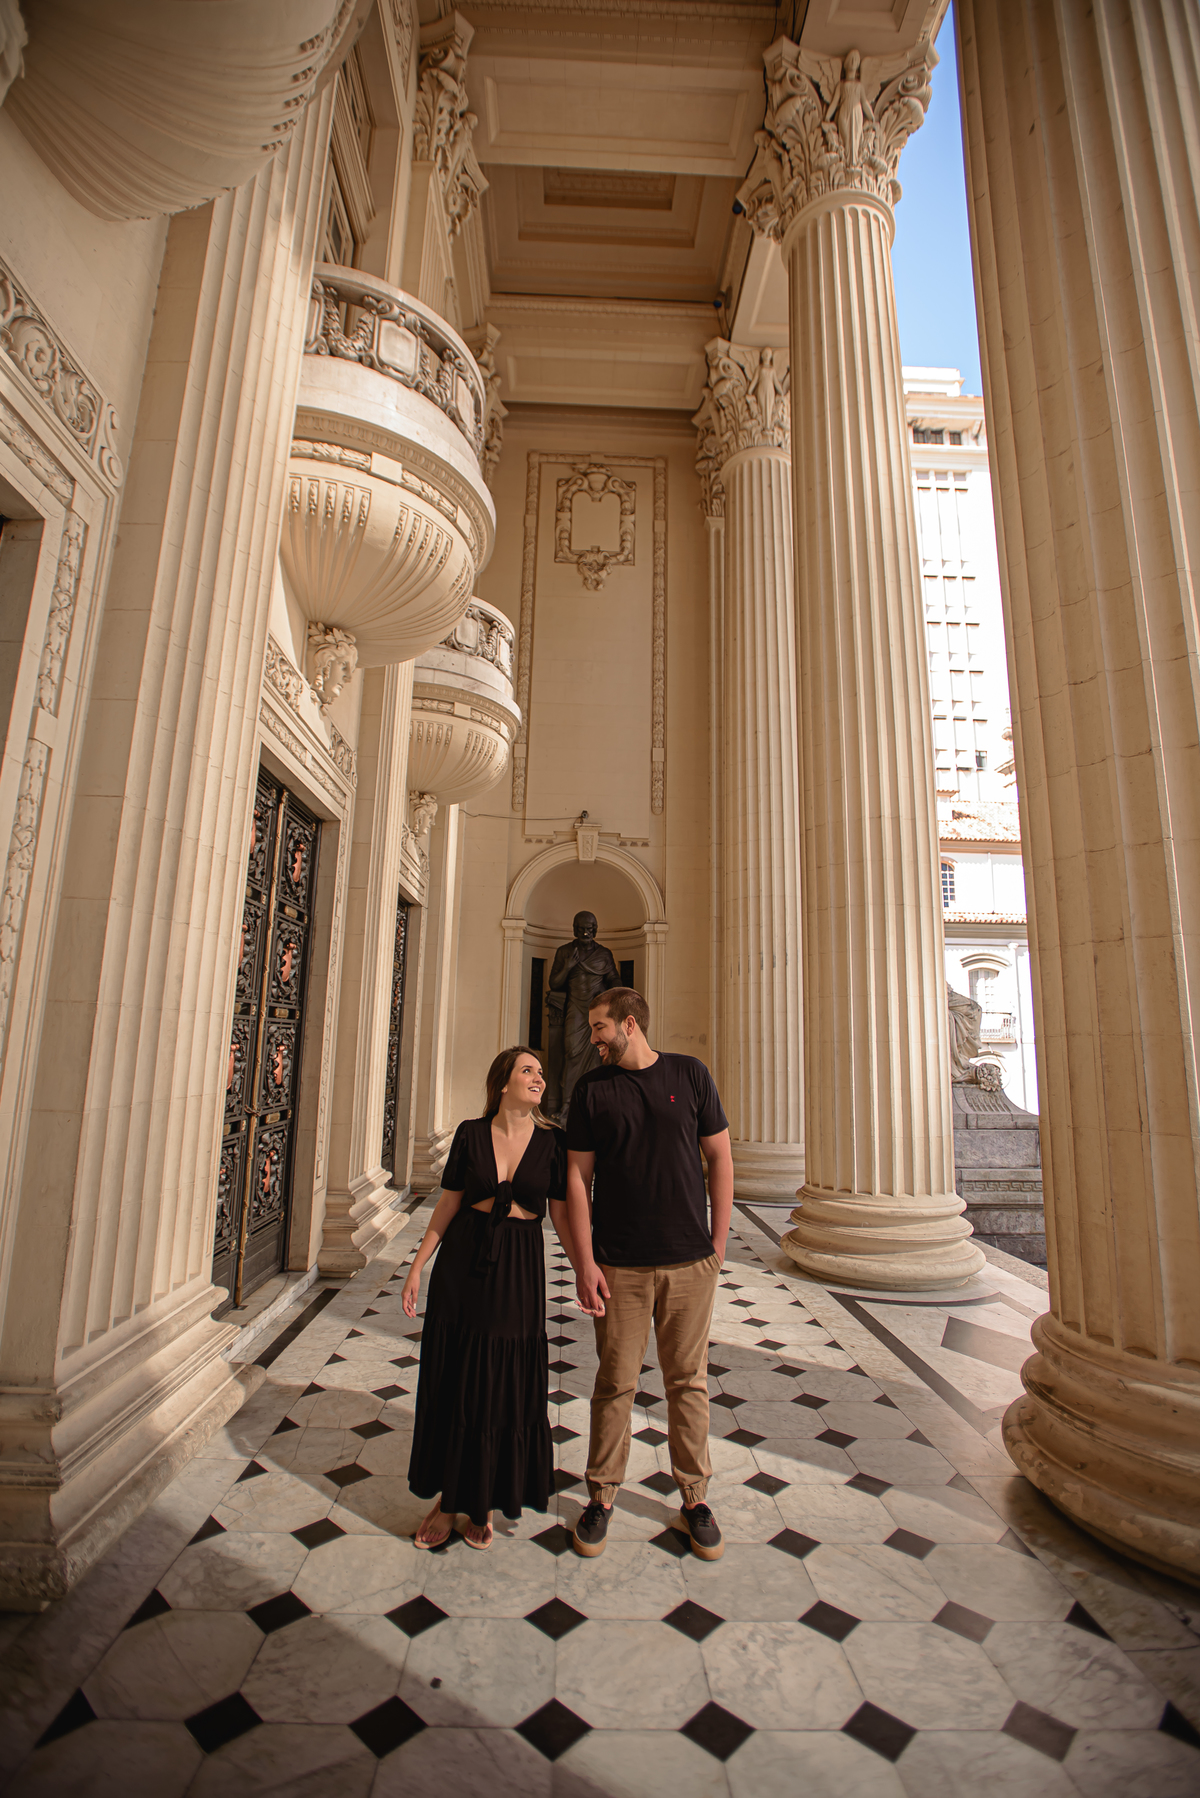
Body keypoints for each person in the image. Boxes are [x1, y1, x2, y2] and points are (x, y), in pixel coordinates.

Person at [563, 987, 734, 1561]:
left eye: (599, 1028)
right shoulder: (592, 1089)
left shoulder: (690, 1075)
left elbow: (720, 1157)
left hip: (689, 1261)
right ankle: (602, 1495)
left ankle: (694, 1497)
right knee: (615, 1383)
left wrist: (718, 1243)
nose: (593, 1039)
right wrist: (585, 1263)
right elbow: (576, 1181)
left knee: (688, 1381)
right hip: (619, 1264)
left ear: (629, 1024)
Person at [402, 1046, 570, 1550]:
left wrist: (589, 1269)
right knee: (456, 1375)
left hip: (518, 1269)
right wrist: (416, 1268)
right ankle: (449, 1501)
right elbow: (448, 1204)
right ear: (503, 1083)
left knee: (502, 1380)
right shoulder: (470, 1135)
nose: (539, 1077)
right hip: (463, 1264)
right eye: (527, 1071)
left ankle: (484, 1500)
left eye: (541, 1071)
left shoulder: (553, 1142)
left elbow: (561, 1215)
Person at [544, 910, 619, 1119]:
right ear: (574, 929)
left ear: (595, 929)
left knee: (598, 1056)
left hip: (599, 1013)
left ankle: (594, 1104)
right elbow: (554, 983)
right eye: (581, 929)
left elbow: (614, 979)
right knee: (572, 1054)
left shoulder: (604, 954)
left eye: (589, 929)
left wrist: (615, 995)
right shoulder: (564, 952)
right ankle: (567, 1107)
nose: (586, 933)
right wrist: (568, 967)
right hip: (575, 1010)